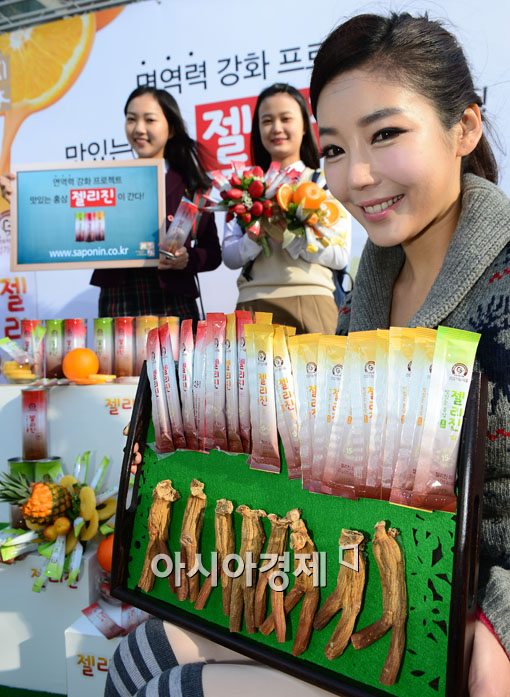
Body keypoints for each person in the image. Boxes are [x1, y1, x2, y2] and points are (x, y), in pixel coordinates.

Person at [308, 11, 510, 697]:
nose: (357, 175)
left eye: (386, 134)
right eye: (334, 149)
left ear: (465, 128)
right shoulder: (365, 295)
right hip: (375, 600)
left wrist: (501, 619)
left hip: (467, 630)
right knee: (143, 656)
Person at [0, 86, 222, 319]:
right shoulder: (108, 181)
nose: (139, 129)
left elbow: (213, 254)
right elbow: (68, 220)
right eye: (131, 119)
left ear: (172, 129)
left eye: (150, 120)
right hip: (119, 301)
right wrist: (24, 201)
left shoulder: (191, 186)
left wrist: (187, 259)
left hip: (174, 303)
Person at [222, 83, 350, 334]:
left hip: (312, 301)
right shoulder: (243, 187)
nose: (276, 128)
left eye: (286, 118)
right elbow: (229, 256)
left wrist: (293, 239)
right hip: (253, 304)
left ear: (304, 126)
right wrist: (256, 236)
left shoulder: (323, 182)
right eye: (267, 121)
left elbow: (339, 256)